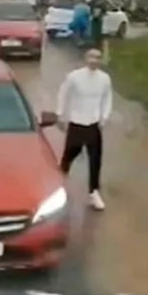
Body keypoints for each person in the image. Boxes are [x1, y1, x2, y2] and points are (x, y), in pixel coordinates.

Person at [56, 48, 113, 211]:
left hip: (93, 124)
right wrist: (60, 114)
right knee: (68, 156)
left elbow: (107, 98)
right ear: (86, 58)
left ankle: (93, 192)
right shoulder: (75, 76)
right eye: (92, 57)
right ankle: (59, 186)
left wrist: (104, 117)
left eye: (98, 57)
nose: (94, 60)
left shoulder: (104, 79)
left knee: (95, 159)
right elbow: (63, 93)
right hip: (76, 122)